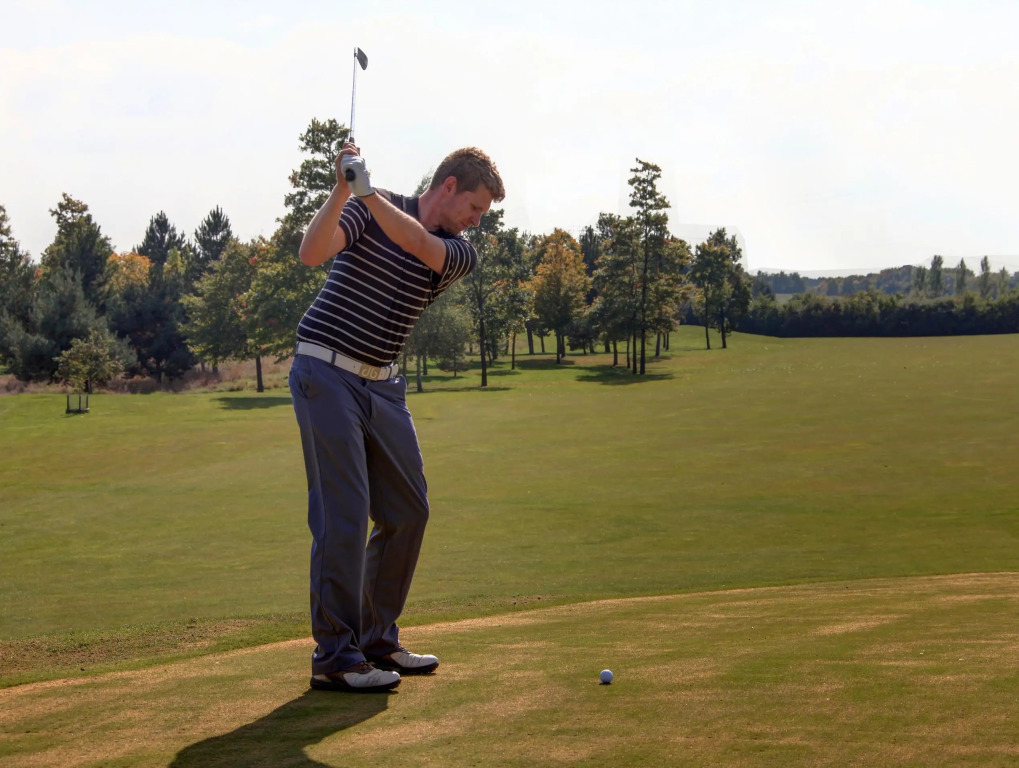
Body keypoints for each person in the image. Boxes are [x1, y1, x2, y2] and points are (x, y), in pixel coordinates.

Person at [289, 142, 505, 692]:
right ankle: (335, 657)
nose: (476, 221)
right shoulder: (366, 207)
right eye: (475, 207)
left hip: (383, 385)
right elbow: (311, 253)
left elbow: (415, 241)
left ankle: (376, 640)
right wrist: (342, 191)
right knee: (344, 514)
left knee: (409, 510)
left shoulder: (456, 251)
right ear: (450, 186)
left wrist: (365, 193)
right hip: (325, 370)